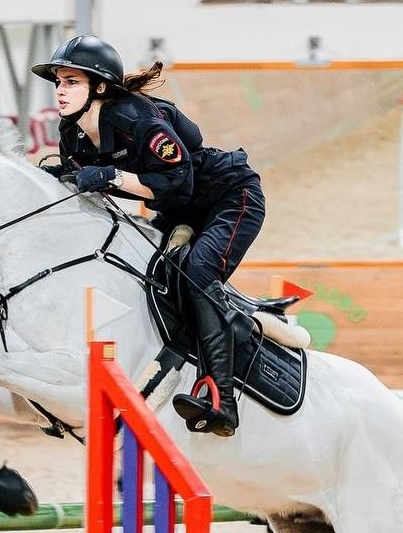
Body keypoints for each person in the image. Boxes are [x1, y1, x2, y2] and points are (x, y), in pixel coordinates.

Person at [32, 35, 265, 437]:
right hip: (178, 210)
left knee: (196, 274)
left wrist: (111, 175)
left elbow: (180, 182)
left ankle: (220, 399)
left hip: (229, 197)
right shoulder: (70, 134)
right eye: (58, 83)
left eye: (71, 82)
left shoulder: (137, 119)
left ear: (100, 87)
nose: (60, 91)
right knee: (143, 275)